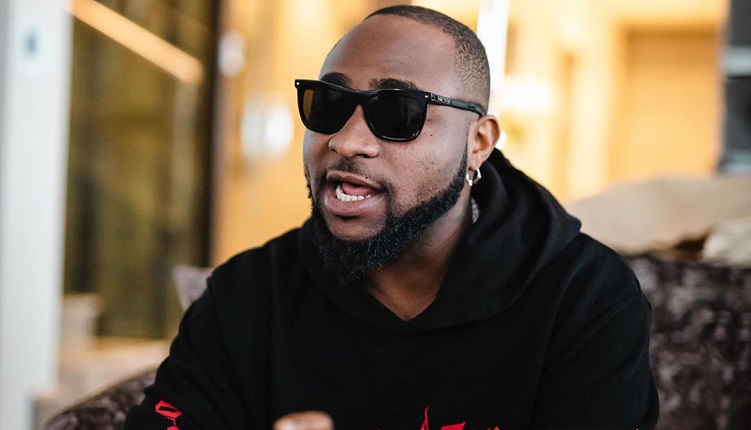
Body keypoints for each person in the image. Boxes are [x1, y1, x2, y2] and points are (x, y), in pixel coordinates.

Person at [125, 5, 659, 430]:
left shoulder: (585, 298)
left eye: (398, 112)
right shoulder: (246, 295)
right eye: (329, 104)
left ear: (478, 142)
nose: (347, 141)